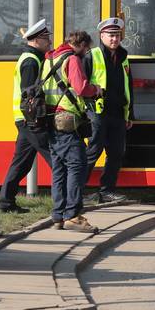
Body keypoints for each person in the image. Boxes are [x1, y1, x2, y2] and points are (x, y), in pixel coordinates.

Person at [44, 30, 100, 234]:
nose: (87, 52)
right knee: (77, 166)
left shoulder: (50, 59)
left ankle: (58, 216)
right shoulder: (72, 59)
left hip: (50, 119)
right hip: (67, 120)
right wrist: (96, 89)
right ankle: (73, 216)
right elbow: (81, 88)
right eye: (87, 48)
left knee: (59, 169)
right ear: (82, 45)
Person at [0, 20, 54, 214]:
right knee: (55, 156)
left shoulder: (32, 58)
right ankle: (70, 197)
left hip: (25, 120)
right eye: (46, 38)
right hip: (30, 120)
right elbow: (29, 96)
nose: (49, 42)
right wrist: (36, 120)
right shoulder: (31, 61)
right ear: (36, 40)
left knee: (21, 163)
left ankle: (5, 201)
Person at [85, 17, 134, 204]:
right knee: (93, 151)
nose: (114, 39)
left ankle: (107, 191)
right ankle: (76, 191)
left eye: (117, 35)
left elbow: (128, 87)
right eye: (110, 35)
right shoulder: (92, 55)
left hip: (118, 112)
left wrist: (130, 114)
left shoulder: (123, 58)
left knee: (116, 153)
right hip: (97, 112)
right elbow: (81, 86)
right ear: (101, 36)